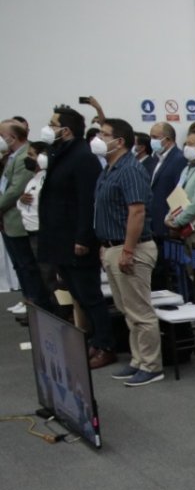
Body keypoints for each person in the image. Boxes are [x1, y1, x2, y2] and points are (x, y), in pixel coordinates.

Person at [36, 106, 112, 367]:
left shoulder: (82, 157)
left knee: (90, 295)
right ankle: (94, 340)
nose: (48, 128)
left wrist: (83, 238)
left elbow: (86, 203)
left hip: (76, 241)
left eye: (52, 124)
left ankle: (106, 344)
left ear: (65, 130)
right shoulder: (60, 154)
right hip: (59, 239)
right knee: (78, 295)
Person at [93, 118, 163, 387]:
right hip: (112, 246)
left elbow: (137, 211)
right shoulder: (110, 168)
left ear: (119, 141)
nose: (99, 138)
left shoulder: (130, 169)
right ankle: (137, 360)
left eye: (104, 134)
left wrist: (128, 250)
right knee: (126, 309)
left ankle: (151, 365)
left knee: (140, 312)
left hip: (131, 247)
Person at [0, 120, 49, 310]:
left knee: (29, 266)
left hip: (19, 221)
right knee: (20, 265)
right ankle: (28, 299)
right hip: (9, 218)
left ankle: (36, 302)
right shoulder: (10, 157)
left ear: (12, 137)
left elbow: (14, 191)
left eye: (2, 134)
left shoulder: (23, 158)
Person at [146, 122, 187, 242]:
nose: (151, 141)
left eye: (154, 137)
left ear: (168, 139)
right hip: (152, 225)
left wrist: (174, 222)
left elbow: (180, 193)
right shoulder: (155, 159)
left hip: (167, 225)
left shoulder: (179, 159)